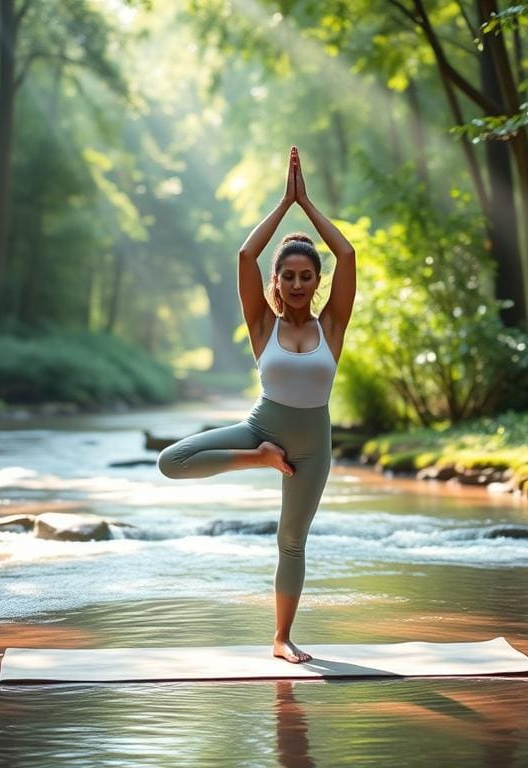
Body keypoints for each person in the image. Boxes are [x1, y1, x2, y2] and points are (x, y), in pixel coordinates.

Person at [158, 145, 356, 664]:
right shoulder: (261, 324)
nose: (295, 283)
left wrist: (306, 204)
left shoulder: (330, 326)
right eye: (286, 275)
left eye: (305, 276)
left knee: (290, 542)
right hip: (261, 428)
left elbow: (349, 256)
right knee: (170, 462)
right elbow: (245, 256)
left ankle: (281, 638)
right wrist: (281, 203)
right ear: (276, 281)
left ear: (316, 282)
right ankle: (261, 459)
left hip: (313, 447)